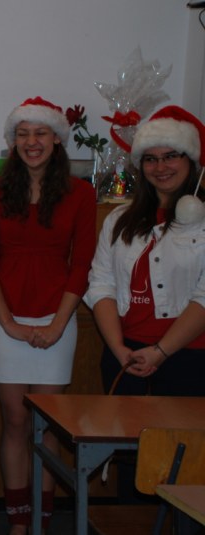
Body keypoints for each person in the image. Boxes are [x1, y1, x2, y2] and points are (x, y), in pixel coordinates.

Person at [0, 97, 96, 533]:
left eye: (40, 133)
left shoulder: (81, 194)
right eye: (22, 134)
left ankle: (42, 520)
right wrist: (8, 323)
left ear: (56, 139)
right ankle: (18, 521)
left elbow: (81, 264)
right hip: (6, 319)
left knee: (47, 425)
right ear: (13, 142)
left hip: (57, 320)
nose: (31, 142)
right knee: (15, 420)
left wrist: (58, 324)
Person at [84, 105, 205, 397]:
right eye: (151, 159)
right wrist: (118, 348)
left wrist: (161, 351)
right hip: (125, 355)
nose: (160, 167)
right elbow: (101, 285)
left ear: (190, 160)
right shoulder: (118, 220)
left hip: (191, 357)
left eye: (170, 156)